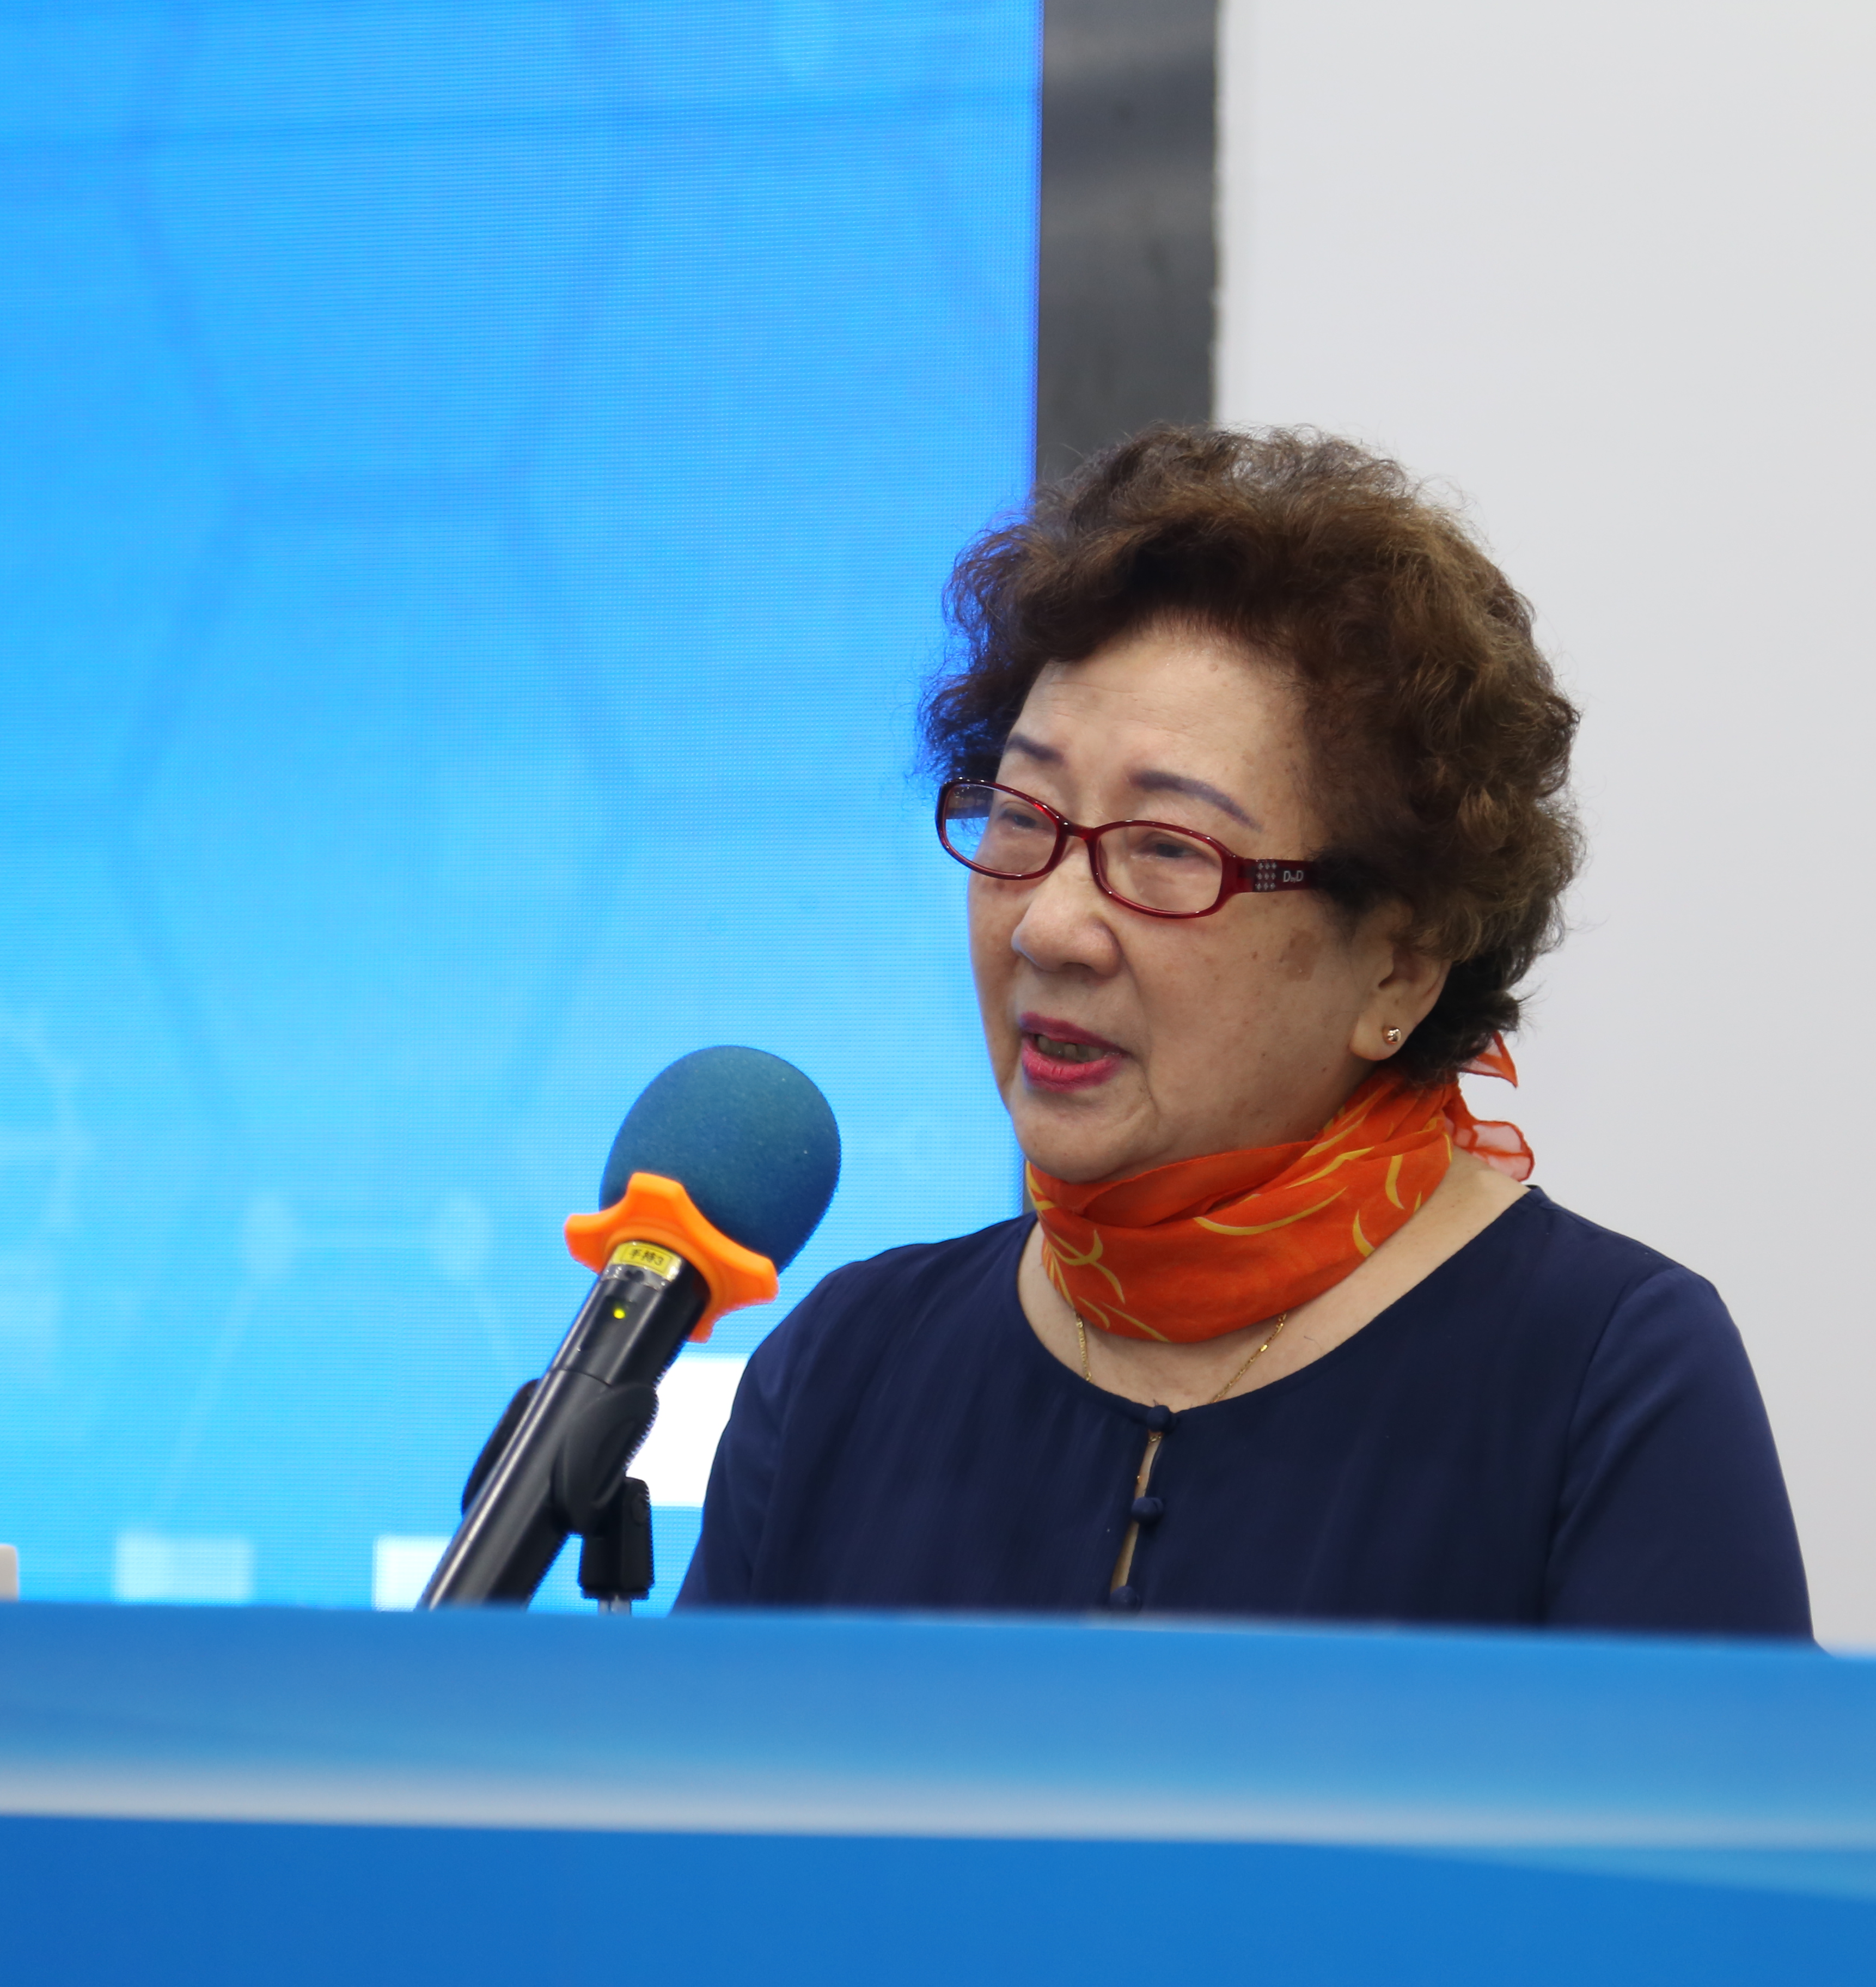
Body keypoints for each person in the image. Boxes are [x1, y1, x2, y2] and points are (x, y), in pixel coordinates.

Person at [679, 427, 1808, 1635]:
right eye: (1020, 817)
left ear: (1399, 965)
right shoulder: (846, 1370)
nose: (1049, 927)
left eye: (1168, 851)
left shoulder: (1606, 1377)